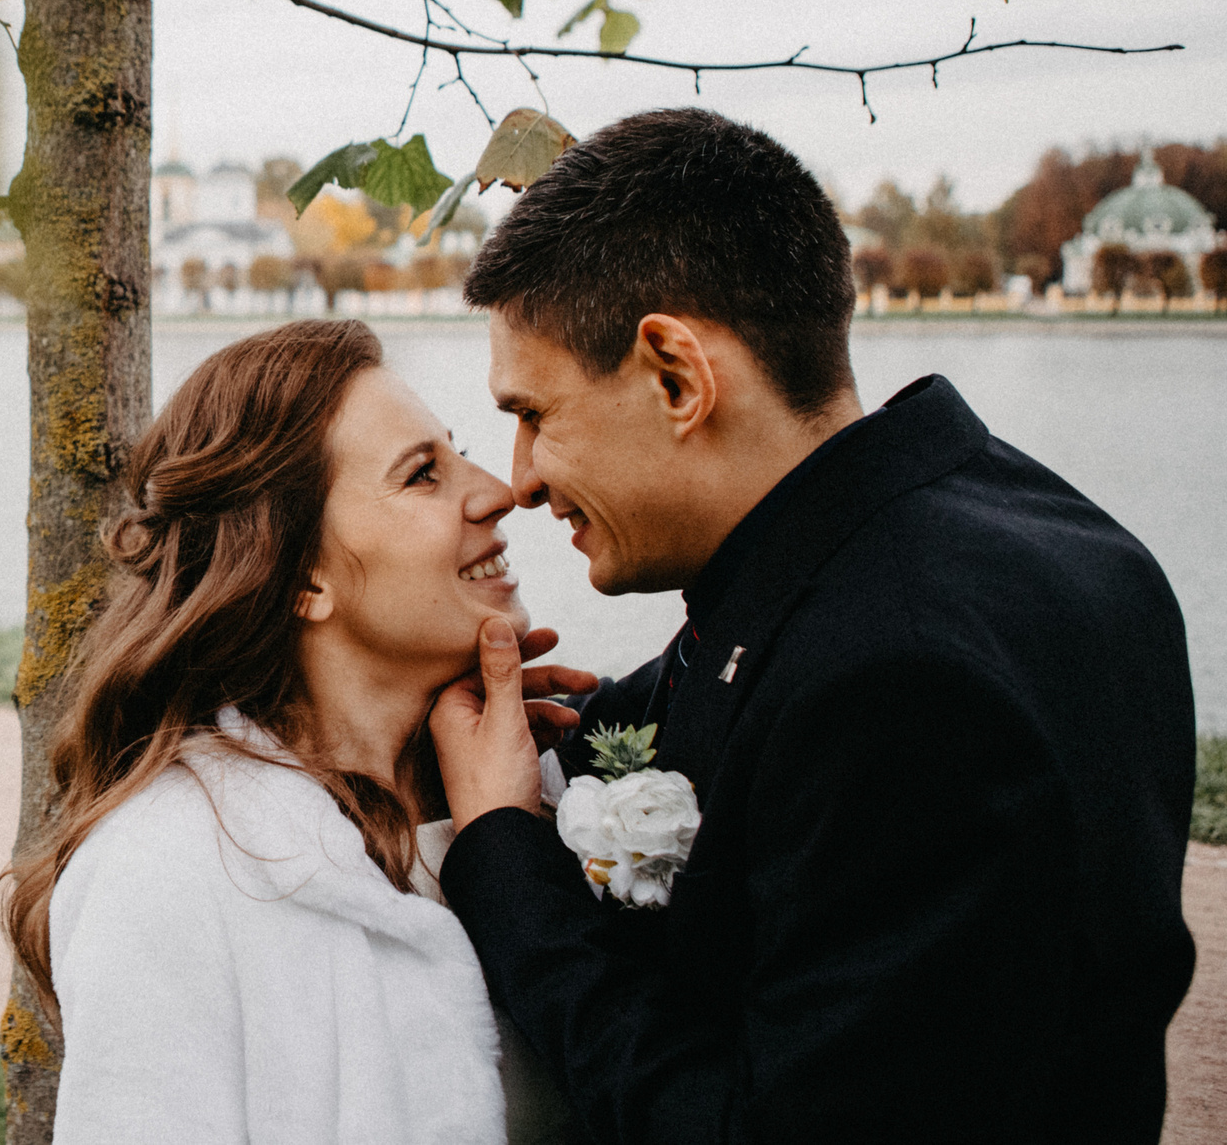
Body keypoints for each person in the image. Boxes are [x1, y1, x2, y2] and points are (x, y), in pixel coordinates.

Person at [428, 108, 1196, 1142]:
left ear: (676, 376)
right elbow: (742, 691)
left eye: (534, 414)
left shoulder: (901, 683)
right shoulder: (1038, 535)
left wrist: (500, 856)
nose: (519, 481)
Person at [2, 319, 587, 1144]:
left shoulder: (543, 793)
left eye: (456, 454)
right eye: (424, 475)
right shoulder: (170, 870)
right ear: (303, 575)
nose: (496, 489)